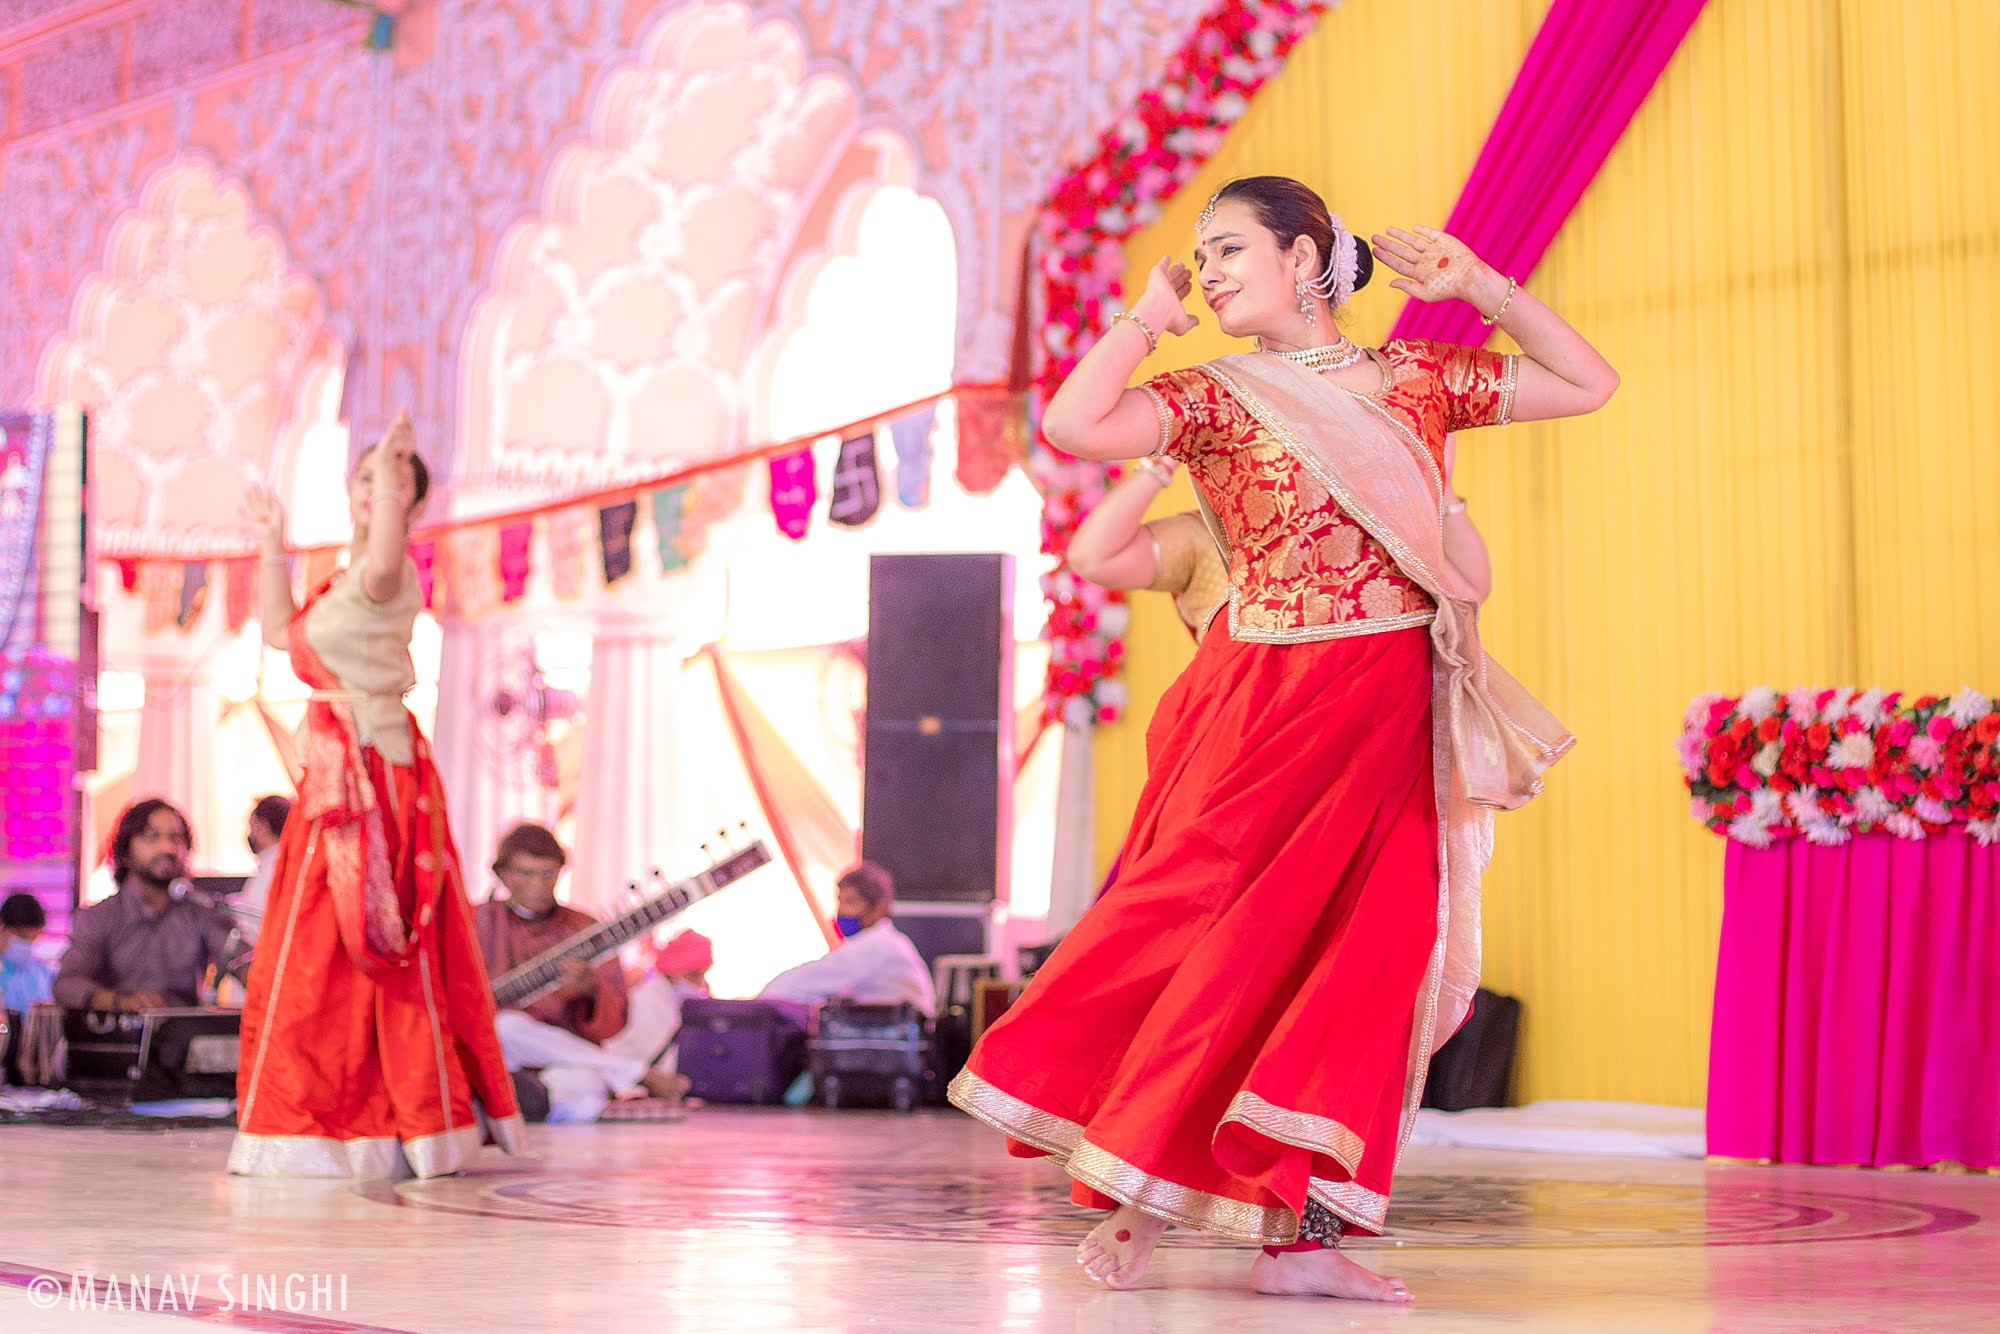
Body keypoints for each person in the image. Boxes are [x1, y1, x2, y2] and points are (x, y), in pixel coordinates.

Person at [948, 177, 1615, 1304]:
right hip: (1267, 699)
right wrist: (1142, 323)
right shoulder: (1209, 395)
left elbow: (1586, 382)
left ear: (1303, 257)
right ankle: (1140, 1179)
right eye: (1198, 256)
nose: (1204, 271)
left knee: (1366, 964)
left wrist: (1476, 288)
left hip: (1391, 701)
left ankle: (1301, 1239)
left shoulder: (1414, 379)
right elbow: (1071, 425)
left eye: (1225, 250)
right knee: (1210, 935)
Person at [228, 412, 523, 1178]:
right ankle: (316, 1123)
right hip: (332, 775)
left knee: (369, 948)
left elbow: (387, 551)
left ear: (407, 503)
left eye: (385, 484)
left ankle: (400, 1119)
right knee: (307, 955)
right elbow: (274, 632)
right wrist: (271, 539)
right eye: (362, 480)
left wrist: (395, 473)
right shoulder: (335, 581)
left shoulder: (388, 576)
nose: (370, 492)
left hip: (373, 776)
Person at [1068, 435, 1492, 639]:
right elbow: (1093, 557)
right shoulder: (1206, 540)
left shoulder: (1362, 525)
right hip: (1251, 755)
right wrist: (1160, 463)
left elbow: (1469, 592)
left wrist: (1439, 486)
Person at [473, 822, 688, 1123]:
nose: (537, 884)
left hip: (564, 1056)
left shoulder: (583, 928)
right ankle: (632, 1072)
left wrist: (593, 990)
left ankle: (564, 1108)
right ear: (504, 875)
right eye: (526, 873)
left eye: (547, 873)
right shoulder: (476, 922)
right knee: (505, 1026)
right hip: (499, 1057)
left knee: (585, 1090)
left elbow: (615, 1023)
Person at [51, 799, 246, 1011]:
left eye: (175, 838)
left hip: (183, 1038)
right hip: (119, 1039)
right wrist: (120, 1002)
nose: (167, 848)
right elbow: (67, 985)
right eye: (152, 837)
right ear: (125, 852)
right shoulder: (99, 917)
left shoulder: (202, 914)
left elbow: (251, 969)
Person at [759, 862, 936, 1016]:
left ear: (879, 908)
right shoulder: (886, 943)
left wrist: (754, 1008)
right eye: (840, 902)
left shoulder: (877, 946)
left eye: (851, 902)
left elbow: (793, 985)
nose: (841, 911)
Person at [232, 794, 292, 947]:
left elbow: (254, 931)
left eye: (251, 827)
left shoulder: (271, 872)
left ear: (262, 826)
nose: (249, 834)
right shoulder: (288, 864)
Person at [2, 892, 57, 1011]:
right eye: (21, 937)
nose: (25, 945)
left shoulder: (47, 975)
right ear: (2, 927)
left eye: (31, 939)